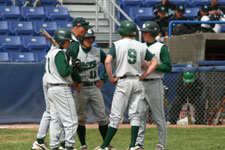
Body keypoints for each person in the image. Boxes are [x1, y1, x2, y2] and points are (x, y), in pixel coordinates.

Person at [95, 20, 159, 150]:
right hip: (136, 80)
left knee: (115, 116)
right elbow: (155, 62)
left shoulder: (117, 44)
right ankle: (132, 146)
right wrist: (143, 75)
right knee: (135, 115)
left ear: (122, 31)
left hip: (123, 81)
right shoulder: (141, 45)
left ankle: (104, 146)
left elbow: (107, 62)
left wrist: (112, 78)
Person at [135, 21, 172, 150]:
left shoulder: (161, 47)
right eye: (144, 32)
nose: (144, 34)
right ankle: (138, 144)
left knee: (159, 117)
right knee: (139, 115)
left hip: (155, 83)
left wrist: (152, 66)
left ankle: (161, 144)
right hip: (141, 84)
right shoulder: (140, 46)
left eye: (146, 32)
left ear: (153, 33)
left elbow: (168, 67)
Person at [73, 29, 110, 150]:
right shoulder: (75, 52)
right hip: (80, 88)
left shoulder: (98, 51)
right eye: (87, 38)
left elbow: (108, 64)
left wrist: (104, 79)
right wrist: (73, 81)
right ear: (81, 39)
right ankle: (83, 145)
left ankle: (106, 145)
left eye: (91, 38)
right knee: (80, 118)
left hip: (94, 87)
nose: (90, 40)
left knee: (102, 117)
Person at [46, 28, 80, 150]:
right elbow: (64, 72)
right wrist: (73, 67)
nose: (69, 43)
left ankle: (54, 146)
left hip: (52, 89)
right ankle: (69, 146)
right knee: (71, 120)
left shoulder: (51, 52)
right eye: (67, 41)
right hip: (61, 89)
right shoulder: (59, 53)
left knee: (56, 120)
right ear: (60, 41)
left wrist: (72, 67)